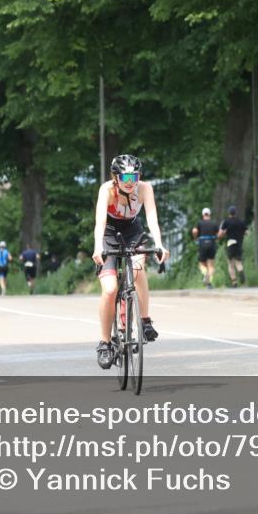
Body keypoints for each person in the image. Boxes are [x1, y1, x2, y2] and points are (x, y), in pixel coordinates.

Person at [92, 154, 170, 369]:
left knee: (137, 269)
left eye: (134, 176)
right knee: (109, 289)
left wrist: (160, 244)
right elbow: (99, 222)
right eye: (125, 176)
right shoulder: (106, 190)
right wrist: (98, 246)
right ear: (116, 177)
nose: (130, 181)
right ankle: (105, 343)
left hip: (133, 231)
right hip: (108, 233)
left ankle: (144, 320)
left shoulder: (145, 189)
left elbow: (152, 218)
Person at [218, 205, 248, 287]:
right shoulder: (240, 221)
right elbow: (247, 232)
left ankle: (234, 282)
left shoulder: (226, 222)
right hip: (239, 244)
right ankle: (241, 271)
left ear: (229, 213)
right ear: (235, 213)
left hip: (230, 243)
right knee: (238, 262)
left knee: (230, 263)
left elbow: (220, 234)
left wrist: (224, 233)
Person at [192, 207, 219, 288]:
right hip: (212, 243)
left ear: (203, 214)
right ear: (209, 214)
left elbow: (194, 231)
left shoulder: (200, 223)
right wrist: (216, 238)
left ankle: (205, 274)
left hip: (202, 243)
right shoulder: (214, 223)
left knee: (201, 264)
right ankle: (209, 283)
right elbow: (219, 233)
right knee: (211, 265)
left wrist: (195, 237)